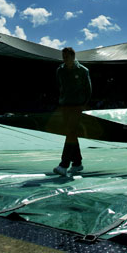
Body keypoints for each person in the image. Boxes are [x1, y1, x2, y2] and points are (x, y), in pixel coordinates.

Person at [53, 47, 92, 176]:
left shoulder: (83, 71)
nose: (64, 59)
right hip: (65, 106)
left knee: (70, 133)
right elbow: (60, 87)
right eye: (63, 57)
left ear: (73, 57)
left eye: (67, 57)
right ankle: (77, 163)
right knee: (72, 134)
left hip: (77, 106)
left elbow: (88, 89)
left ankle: (64, 165)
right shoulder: (60, 70)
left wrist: (84, 105)